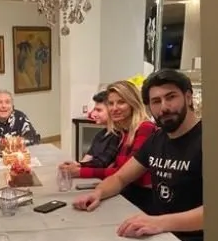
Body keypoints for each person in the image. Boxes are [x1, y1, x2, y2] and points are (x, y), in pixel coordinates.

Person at [73, 69, 203, 241]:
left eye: (171, 97)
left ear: (188, 97)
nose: (164, 107)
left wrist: (160, 222)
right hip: (161, 237)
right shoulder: (156, 140)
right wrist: (97, 193)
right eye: (156, 101)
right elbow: (120, 178)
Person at [60, 80, 157, 214]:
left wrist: (79, 172)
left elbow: (123, 172)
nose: (114, 108)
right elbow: (109, 166)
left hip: (142, 199)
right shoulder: (124, 131)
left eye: (121, 102)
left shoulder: (145, 128)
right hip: (126, 192)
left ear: (133, 103)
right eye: (111, 103)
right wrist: (79, 166)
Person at [79, 90, 122, 167]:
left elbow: (102, 164)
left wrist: (78, 167)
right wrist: (77, 165)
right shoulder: (100, 135)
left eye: (99, 110)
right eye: (94, 110)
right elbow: (88, 157)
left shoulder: (118, 136)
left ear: (111, 110)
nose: (93, 114)